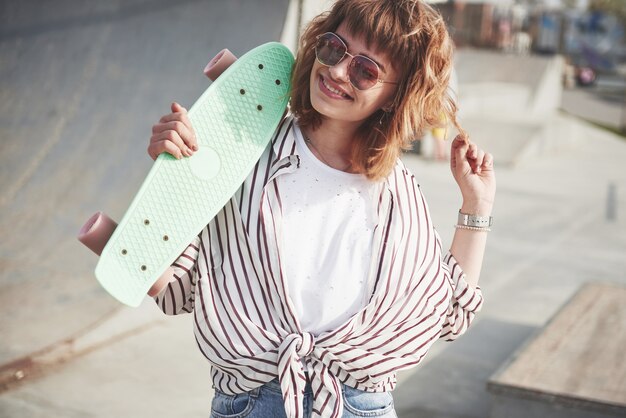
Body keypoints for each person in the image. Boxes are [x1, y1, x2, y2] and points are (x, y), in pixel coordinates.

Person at [146, 1, 495, 417]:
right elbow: (178, 289)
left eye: (366, 71)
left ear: (393, 96)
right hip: (254, 405)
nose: (338, 71)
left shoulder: (398, 195)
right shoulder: (248, 153)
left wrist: (476, 205)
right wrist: (170, 179)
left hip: (363, 407)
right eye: (334, 48)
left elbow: (450, 314)